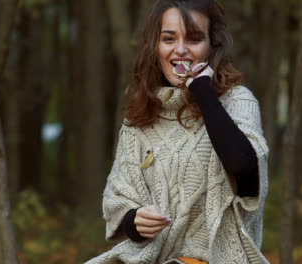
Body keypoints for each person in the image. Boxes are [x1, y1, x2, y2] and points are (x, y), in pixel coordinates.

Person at [86, 0, 269, 263]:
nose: (180, 50)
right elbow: (119, 203)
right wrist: (134, 222)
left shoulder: (237, 101)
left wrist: (203, 90)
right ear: (155, 47)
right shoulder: (139, 118)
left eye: (194, 39)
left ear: (211, 47)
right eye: (169, 38)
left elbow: (245, 171)